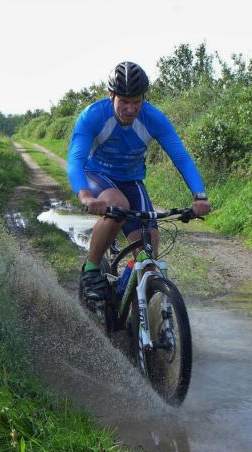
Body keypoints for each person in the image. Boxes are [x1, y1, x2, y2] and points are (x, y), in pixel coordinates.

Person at [67, 61, 211, 300]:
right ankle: (91, 270)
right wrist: (85, 195)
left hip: (132, 181)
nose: (131, 108)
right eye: (124, 101)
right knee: (118, 205)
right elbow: (76, 158)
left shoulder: (153, 118)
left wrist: (200, 196)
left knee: (148, 258)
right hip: (97, 175)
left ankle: (130, 301)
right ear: (111, 95)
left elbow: (182, 158)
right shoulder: (93, 116)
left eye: (136, 101)